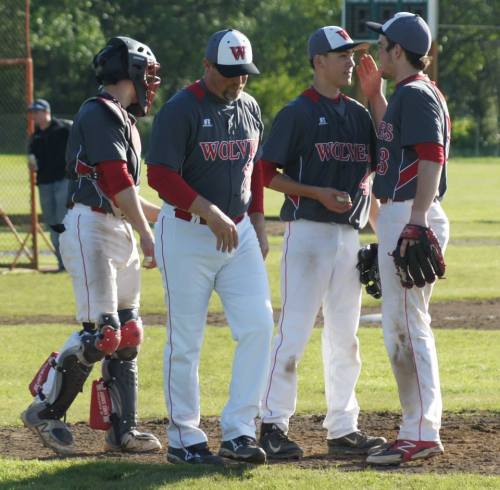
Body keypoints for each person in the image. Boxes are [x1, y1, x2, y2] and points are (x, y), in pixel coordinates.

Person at [21, 36, 163, 455]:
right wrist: (148, 232)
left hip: (116, 226)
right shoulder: (98, 111)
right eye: (147, 73)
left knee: (129, 334)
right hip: (92, 227)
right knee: (102, 335)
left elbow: (130, 195)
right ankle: (46, 411)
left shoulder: (125, 120)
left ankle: (123, 430)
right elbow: (117, 182)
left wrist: (181, 215)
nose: (151, 83)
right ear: (130, 70)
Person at [256, 26, 387, 460]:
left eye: (352, 55)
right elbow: (265, 174)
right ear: (318, 62)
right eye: (342, 56)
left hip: (348, 236)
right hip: (307, 232)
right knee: (292, 332)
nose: (351, 62)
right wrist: (315, 192)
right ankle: (272, 425)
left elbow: (379, 165)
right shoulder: (296, 112)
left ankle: (343, 427)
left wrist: (374, 96)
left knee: (346, 337)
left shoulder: (357, 113)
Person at [147, 28, 273, 465]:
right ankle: (184, 437)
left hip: (239, 232)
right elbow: (160, 176)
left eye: (243, 73)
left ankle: (239, 431)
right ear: (206, 66)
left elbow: (253, 167)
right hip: (186, 232)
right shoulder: (181, 108)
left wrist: (257, 218)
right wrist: (210, 211)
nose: (237, 81)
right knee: (186, 340)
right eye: (228, 73)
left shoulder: (250, 106)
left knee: (258, 326)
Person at [355, 13, 451, 465]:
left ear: (398, 51)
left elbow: (431, 157)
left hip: (413, 211)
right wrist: (375, 97)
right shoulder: (406, 95)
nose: (379, 51)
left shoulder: (414, 95)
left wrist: (415, 221)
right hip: (403, 212)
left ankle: (423, 430)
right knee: (401, 327)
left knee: (410, 328)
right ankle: (414, 424)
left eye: (384, 44)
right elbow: (395, 146)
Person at [27, 99, 71, 271]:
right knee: (52, 223)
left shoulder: (63, 128)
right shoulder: (35, 136)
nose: (34, 116)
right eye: (32, 113)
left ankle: (70, 262)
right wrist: (31, 164)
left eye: (36, 112)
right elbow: (32, 160)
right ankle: (61, 263)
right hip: (44, 184)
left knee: (62, 221)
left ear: (46, 111)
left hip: (63, 181)